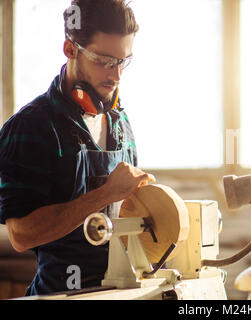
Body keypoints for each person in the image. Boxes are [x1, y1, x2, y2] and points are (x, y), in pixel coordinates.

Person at [0, 0, 154, 296]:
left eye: (123, 61)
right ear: (70, 49)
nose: (117, 75)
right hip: (60, 292)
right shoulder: (31, 127)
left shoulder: (121, 122)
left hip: (122, 289)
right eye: (105, 61)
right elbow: (21, 235)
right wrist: (108, 193)